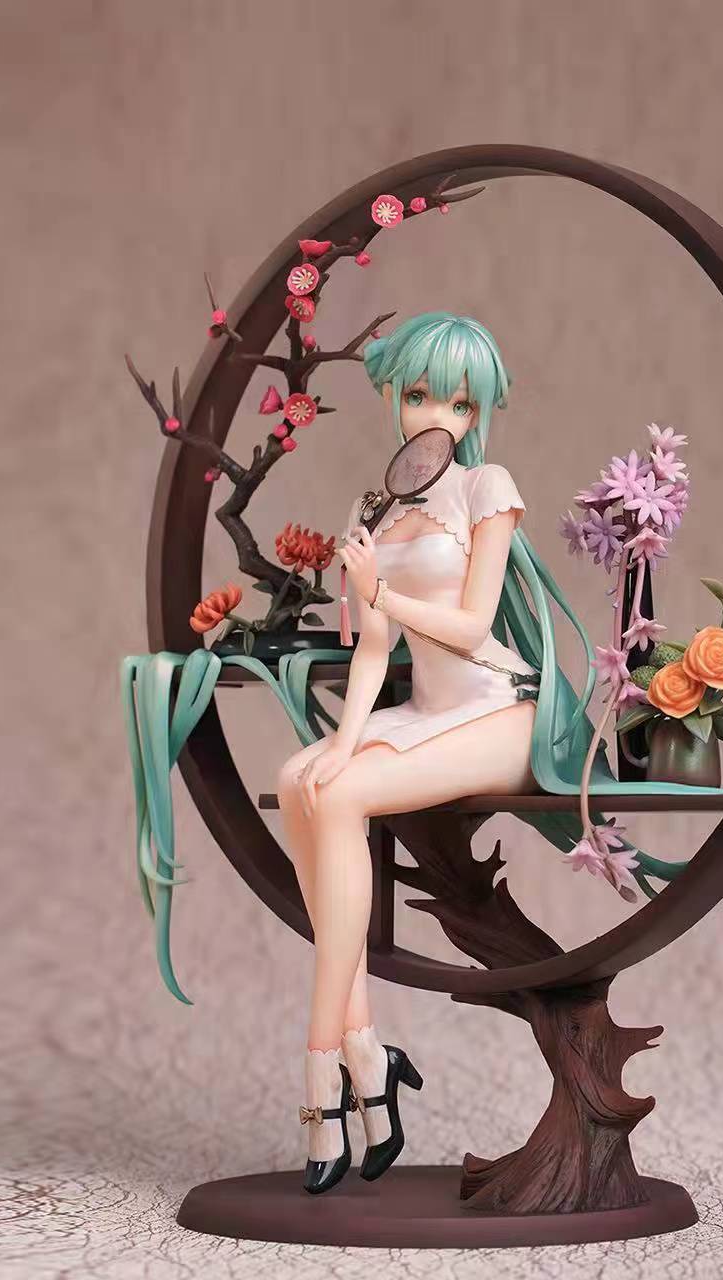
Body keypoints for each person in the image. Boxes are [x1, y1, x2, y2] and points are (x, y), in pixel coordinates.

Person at [276, 311, 571, 1193]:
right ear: (394, 397)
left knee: (340, 797)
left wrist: (385, 597)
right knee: (302, 780)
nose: (436, 415)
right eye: (418, 395)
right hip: (425, 709)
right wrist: (343, 739)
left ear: (478, 412)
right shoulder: (374, 509)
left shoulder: (486, 487)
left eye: (459, 402)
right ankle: (370, 1054)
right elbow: (374, 648)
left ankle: (323, 1070)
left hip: (501, 711)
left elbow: (473, 626)